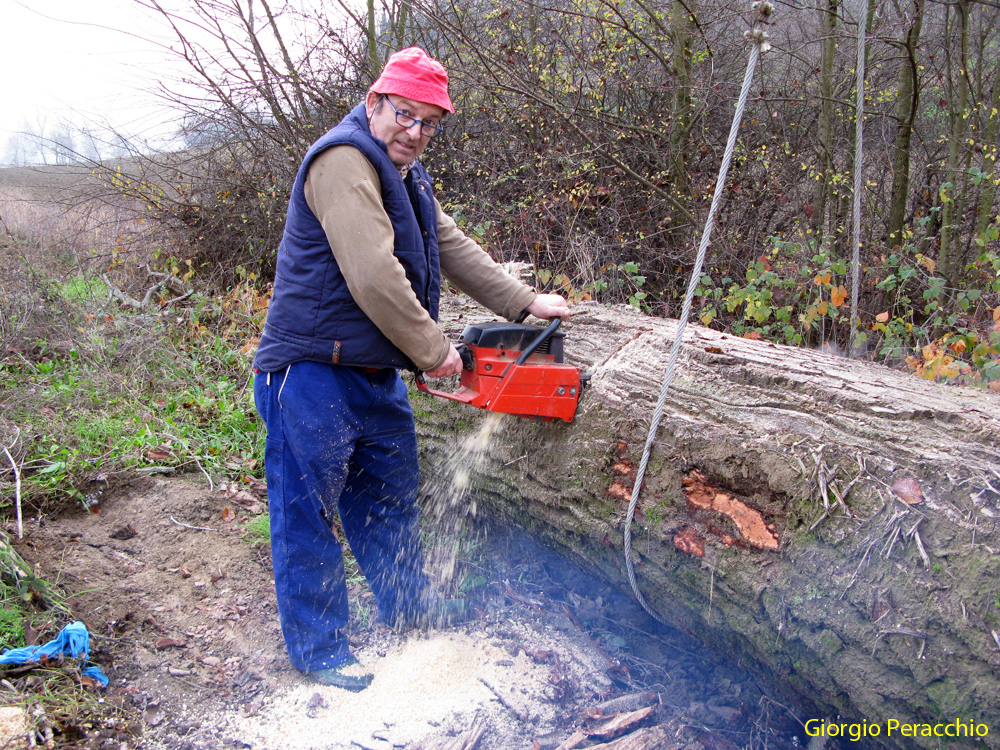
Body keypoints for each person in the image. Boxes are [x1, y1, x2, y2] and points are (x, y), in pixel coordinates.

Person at [252, 47, 570, 691]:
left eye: (429, 122)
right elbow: (372, 274)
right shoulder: (343, 162)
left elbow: (447, 242)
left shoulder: (407, 173)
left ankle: (411, 615)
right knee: (306, 514)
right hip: (312, 373)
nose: (415, 131)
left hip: (373, 376)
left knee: (389, 505)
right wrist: (435, 350)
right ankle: (321, 650)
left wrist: (522, 300)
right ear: (375, 103)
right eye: (405, 115)